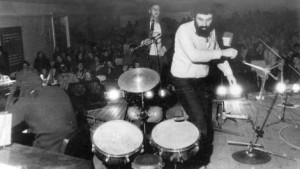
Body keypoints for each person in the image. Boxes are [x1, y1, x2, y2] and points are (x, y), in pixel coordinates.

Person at [170, 4, 238, 168]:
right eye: (201, 19)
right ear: (194, 17)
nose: (204, 23)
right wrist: (224, 52)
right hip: (183, 79)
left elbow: (215, 52)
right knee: (200, 121)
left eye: (208, 19)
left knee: (205, 121)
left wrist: (229, 73)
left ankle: (197, 159)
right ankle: (195, 163)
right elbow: (194, 56)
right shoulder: (183, 30)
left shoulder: (211, 31)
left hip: (201, 79)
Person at [5, 67, 78, 153]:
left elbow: (3, 127)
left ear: (21, 87)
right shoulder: (59, 91)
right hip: (71, 149)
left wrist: (12, 93)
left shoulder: (26, 101)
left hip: (47, 155)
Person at [138, 4, 168, 75]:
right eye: (154, 9)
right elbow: (135, 36)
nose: (157, 11)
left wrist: (164, 49)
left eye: (158, 9)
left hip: (159, 57)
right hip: (146, 57)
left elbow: (168, 39)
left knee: (158, 79)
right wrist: (143, 41)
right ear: (149, 11)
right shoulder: (142, 23)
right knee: (146, 79)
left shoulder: (163, 24)